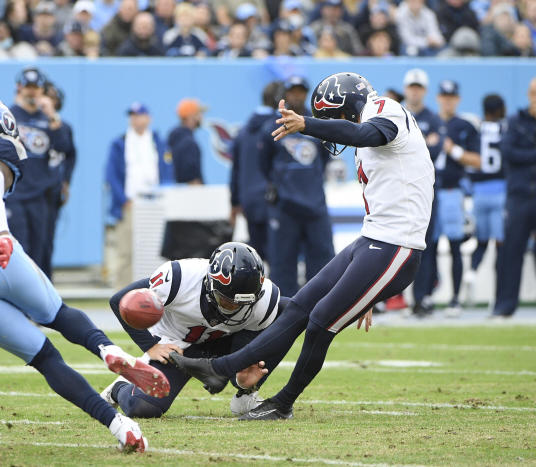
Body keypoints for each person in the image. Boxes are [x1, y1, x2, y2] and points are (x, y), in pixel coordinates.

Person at [0, 97, 170, 451]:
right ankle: (107, 350)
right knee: (58, 314)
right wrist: (2, 235)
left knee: (45, 359)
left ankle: (119, 426)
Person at [169, 71, 434, 420]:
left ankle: (283, 403)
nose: (332, 126)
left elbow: (363, 133)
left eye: (333, 116)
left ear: (349, 104)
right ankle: (220, 369)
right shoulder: (374, 116)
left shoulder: (385, 108)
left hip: (396, 246)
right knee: (298, 307)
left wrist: (307, 124)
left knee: (321, 321)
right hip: (374, 241)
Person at [100, 242, 287, 418]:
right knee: (142, 407)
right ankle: (119, 388)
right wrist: (152, 346)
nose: (234, 308)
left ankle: (246, 398)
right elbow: (121, 300)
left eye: (243, 304)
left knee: (287, 312)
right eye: (227, 301)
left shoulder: (265, 300)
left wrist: (241, 381)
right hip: (176, 346)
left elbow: (246, 347)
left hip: (225, 341)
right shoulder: (180, 278)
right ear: (210, 284)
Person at [262, 76, 334, 298]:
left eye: (301, 91)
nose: (297, 95)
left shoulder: (316, 125)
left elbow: (326, 158)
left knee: (323, 262)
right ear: (285, 93)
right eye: (292, 91)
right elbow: (263, 163)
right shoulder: (271, 126)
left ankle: (322, 306)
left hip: (315, 205)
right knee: (282, 263)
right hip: (285, 207)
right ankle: (282, 310)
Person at [6, 67, 70, 275]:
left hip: (41, 193)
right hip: (16, 192)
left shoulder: (49, 119)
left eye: (36, 88)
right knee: (20, 247)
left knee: (41, 248)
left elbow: (64, 149)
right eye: (28, 87)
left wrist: (52, 117)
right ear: (19, 88)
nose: (32, 92)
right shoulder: (9, 116)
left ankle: (43, 301)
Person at [104, 102, 173, 288]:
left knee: (155, 251)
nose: (135, 119)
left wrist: (165, 198)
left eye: (139, 115)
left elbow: (167, 171)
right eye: (132, 116)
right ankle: (122, 294)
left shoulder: (158, 142)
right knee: (126, 252)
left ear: (148, 118)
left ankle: (156, 294)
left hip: (155, 205)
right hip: (130, 205)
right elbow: (111, 175)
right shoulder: (121, 143)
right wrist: (123, 200)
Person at [435, 80, 481, 316]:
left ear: (458, 99)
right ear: (438, 97)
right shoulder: (428, 121)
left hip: (453, 190)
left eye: (451, 96)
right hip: (428, 192)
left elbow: (478, 160)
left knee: (454, 245)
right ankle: (425, 297)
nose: (447, 100)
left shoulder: (465, 126)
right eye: (444, 95)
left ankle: (454, 298)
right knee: (426, 246)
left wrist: (454, 150)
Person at [402, 68, 445, 316]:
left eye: (419, 87)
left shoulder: (433, 118)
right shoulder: (398, 114)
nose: (415, 91)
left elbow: (436, 151)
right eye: (412, 87)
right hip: (400, 190)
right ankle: (390, 298)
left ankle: (422, 297)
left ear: (424, 91)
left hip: (425, 191)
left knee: (423, 246)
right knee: (393, 245)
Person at [492, 78, 536, 318]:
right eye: (533, 93)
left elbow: (518, 154)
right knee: (511, 252)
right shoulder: (516, 121)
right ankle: (505, 304)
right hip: (519, 196)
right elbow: (508, 152)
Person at [229, 81, 282, 260]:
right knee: (278, 259)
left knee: (255, 258)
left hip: (249, 200)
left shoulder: (243, 131)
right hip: (274, 200)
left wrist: (234, 202)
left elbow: (235, 169)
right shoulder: (279, 129)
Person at [463, 94, 506, 305]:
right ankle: (499, 295)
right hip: (501, 191)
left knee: (481, 242)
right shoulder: (506, 129)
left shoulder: (476, 129)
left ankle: (471, 273)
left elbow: (470, 161)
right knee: (500, 244)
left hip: (479, 192)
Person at [43, 81, 76, 279]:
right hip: (29, 189)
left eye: (53, 99)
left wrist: (66, 181)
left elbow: (70, 154)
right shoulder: (29, 123)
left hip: (51, 188)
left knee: (46, 239)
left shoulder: (64, 127)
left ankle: (46, 282)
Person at [167, 98, 206, 184]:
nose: (202, 117)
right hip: (190, 195)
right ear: (191, 116)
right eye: (199, 114)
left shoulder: (173, 138)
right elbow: (193, 179)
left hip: (176, 192)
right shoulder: (189, 143)